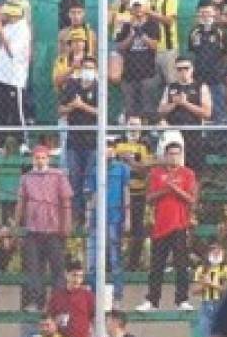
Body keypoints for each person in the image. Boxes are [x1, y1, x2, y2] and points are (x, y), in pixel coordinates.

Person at [140, 141, 198, 311]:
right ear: (165, 156)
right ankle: (152, 300)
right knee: (156, 265)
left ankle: (182, 300)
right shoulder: (156, 173)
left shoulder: (187, 174)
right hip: (160, 226)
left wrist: (176, 189)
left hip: (179, 224)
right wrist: (166, 190)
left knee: (181, 264)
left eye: (177, 154)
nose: (174, 157)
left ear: (181, 156)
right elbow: (149, 198)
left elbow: (192, 199)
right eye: (171, 154)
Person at [15, 144, 73, 311]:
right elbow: (21, 202)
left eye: (43, 158)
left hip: (54, 229)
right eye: (37, 158)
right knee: (33, 269)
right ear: (33, 159)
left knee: (58, 268)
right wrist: (16, 225)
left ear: (48, 159)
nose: (40, 161)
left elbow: (66, 201)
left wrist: (66, 224)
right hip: (33, 229)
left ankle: (58, 304)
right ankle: (36, 302)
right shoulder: (26, 178)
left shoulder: (58, 176)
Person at [84, 148, 132, 307]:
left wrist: (127, 216)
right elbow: (93, 195)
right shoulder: (95, 170)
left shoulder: (122, 169)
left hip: (115, 217)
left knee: (114, 258)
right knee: (92, 259)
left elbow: (125, 192)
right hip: (97, 218)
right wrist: (89, 217)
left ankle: (117, 297)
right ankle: (93, 295)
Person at [57, 55, 99, 222]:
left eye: (91, 67)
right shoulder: (72, 86)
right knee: (74, 181)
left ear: (95, 70)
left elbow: (101, 113)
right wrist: (71, 107)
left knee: (89, 181)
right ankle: (76, 218)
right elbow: (60, 110)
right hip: (73, 142)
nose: (87, 71)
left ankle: (90, 218)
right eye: (85, 67)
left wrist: (82, 106)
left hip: (92, 143)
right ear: (80, 70)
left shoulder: (99, 88)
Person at [0, 1, 31, 156]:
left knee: (17, 111)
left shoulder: (23, 29)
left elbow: (12, 52)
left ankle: (23, 142)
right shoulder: (6, 27)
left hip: (14, 77)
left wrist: (0, 32)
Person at [158, 56, 213, 172]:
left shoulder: (200, 86)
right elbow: (161, 110)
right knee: (174, 168)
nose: (183, 72)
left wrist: (185, 103)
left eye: (186, 68)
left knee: (195, 170)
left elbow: (207, 113)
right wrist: (174, 103)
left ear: (192, 69)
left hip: (194, 132)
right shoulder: (170, 87)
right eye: (179, 69)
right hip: (174, 134)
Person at [114, 0, 163, 120]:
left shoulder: (153, 24)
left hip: (148, 73)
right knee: (130, 109)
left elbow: (154, 46)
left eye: (140, 7)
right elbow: (120, 47)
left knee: (147, 108)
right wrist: (131, 36)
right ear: (131, 9)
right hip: (129, 74)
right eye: (135, 7)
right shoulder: (126, 26)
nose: (138, 10)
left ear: (145, 8)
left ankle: (147, 135)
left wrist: (142, 34)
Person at [112, 118, 152, 273]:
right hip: (118, 191)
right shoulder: (117, 142)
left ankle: (133, 264)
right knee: (115, 228)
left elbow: (145, 170)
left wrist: (130, 162)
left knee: (138, 230)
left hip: (138, 192)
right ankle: (113, 263)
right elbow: (112, 165)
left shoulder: (145, 143)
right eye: (131, 124)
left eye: (137, 125)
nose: (134, 128)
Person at [188, 1, 227, 126]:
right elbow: (192, 52)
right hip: (199, 77)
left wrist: (221, 70)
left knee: (218, 107)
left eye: (208, 12)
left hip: (216, 77)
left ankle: (221, 131)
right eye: (202, 13)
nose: (205, 15)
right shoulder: (194, 32)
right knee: (201, 105)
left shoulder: (221, 32)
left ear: (214, 14)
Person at [47, 258, 95, 337]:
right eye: (74, 275)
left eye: (80, 276)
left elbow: (94, 319)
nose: (77, 280)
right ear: (66, 275)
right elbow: (49, 320)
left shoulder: (88, 296)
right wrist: (56, 321)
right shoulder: (56, 297)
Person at [193, 241, 227, 337]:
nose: (216, 252)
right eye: (213, 250)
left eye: (218, 250)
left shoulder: (226, 269)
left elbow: (226, 289)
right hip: (206, 303)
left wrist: (211, 284)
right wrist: (203, 285)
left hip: (221, 303)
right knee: (205, 328)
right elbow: (194, 291)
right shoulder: (201, 269)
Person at [142, 0, 180, 85]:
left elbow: (169, 20)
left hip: (168, 49)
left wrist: (149, 12)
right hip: (149, 49)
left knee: (172, 82)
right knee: (150, 85)